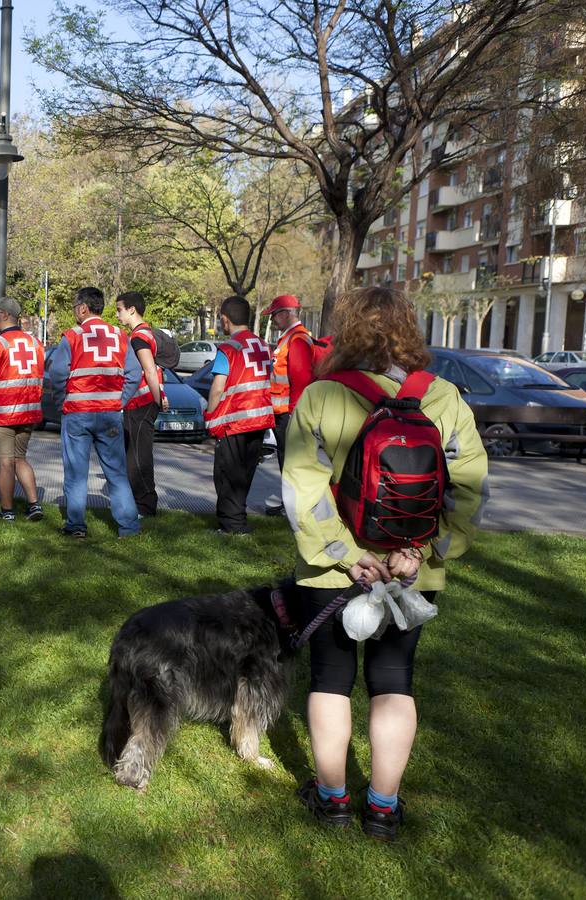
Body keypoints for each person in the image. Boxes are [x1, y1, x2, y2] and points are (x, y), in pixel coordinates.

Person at [285, 286, 486, 842]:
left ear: (345, 330)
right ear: (409, 330)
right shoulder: (443, 397)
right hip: (410, 570)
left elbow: (302, 490)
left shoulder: (322, 395)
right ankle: (382, 807)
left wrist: (348, 557)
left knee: (330, 678)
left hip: (332, 572)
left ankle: (333, 801)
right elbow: (469, 490)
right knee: (394, 679)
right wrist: (424, 552)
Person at [44, 287, 143, 539]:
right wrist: (119, 400)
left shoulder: (73, 336)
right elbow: (134, 374)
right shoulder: (121, 336)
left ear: (83, 308)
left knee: (76, 472)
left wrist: (61, 404)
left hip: (77, 412)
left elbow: (56, 375)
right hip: (109, 413)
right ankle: (129, 527)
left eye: (75, 306)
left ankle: (76, 526)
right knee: (116, 473)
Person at [204, 295, 275, 535]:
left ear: (225, 320)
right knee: (245, 473)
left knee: (226, 474)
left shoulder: (229, 348)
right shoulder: (264, 346)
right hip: (260, 420)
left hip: (234, 421)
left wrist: (210, 414)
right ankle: (238, 520)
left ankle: (231, 526)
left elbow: (218, 386)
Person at [0, 296, 43, 521]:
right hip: (29, 411)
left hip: (2, 412)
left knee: (5, 462)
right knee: (20, 459)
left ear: (5, 315)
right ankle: (34, 505)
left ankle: (7, 511)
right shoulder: (35, 343)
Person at [114, 290, 168, 517]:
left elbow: (148, 371)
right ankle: (142, 503)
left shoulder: (138, 336)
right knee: (136, 453)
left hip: (141, 403)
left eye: (119, 310)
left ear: (132, 309)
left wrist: (158, 400)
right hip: (145, 402)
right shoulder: (148, 332)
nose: (117, 315)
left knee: (138, 456)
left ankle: (144, 506)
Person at [263, 294, 315, 516]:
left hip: (289, 413)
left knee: (291, 462)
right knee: (286, 460)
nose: (273, 320)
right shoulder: (290, 338)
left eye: (275, 315)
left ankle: (293, 507)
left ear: (286, 313)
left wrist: (295, 413)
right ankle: (289, 504)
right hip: (282, 411)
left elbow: (301, 380)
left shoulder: (298, 340)